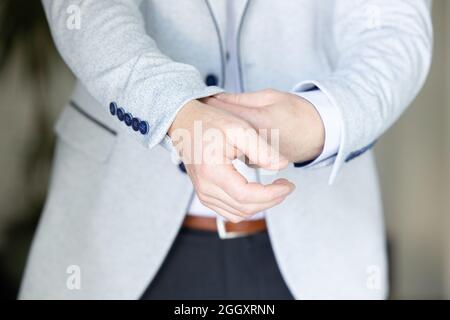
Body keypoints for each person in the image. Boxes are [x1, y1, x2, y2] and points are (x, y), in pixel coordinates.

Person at [19, 0, 432, 299]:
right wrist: (176, 112)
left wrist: (319, 119)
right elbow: (88, 12)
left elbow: (393, 28)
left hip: (318, 244)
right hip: (118, 230)